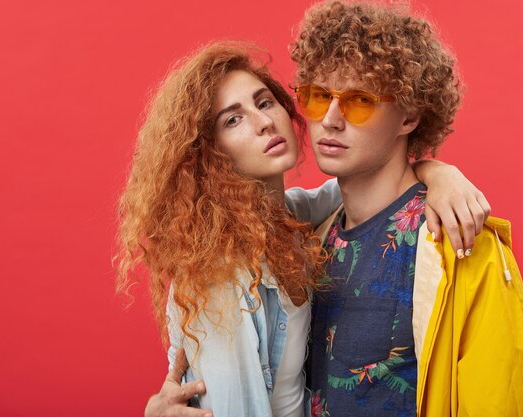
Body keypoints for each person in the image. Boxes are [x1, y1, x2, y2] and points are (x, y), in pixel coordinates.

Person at [125, 40, 491, 417]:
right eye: (233, 119)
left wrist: (441, 174)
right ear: (207, 152)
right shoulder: (219, 274)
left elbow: (367, 181)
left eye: (265, 102)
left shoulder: (291, 216)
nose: (264, 122)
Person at [287, 1, 523, 416]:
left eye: (359, 100)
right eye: (319, 96)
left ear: (408, 116)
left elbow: (504, 399)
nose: (330, 119)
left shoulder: (461, 242)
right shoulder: (310, 241)